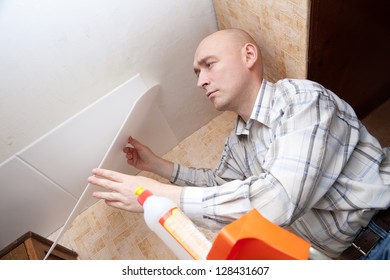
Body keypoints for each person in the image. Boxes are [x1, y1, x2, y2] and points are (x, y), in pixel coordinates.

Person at [88, 28, 390, 260]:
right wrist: (156, 165)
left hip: (383, 234)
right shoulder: (238, 142)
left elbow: (280, 199)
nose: (200, 82)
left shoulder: (301, 100)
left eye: (208, 65)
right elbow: (215, 184)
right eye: (197, 73)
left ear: (248, 56)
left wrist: (156, 197)